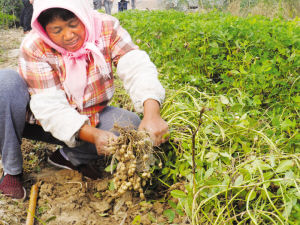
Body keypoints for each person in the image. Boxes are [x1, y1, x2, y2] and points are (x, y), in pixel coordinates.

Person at [0, 0, 169, 200]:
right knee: (5, 83)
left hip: (88, 115)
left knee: (130, 126)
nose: (68, 35)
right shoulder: (35, 45)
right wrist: (94, 135)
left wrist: (151, 112)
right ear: (45, 30)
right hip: (35, 120)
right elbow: (50, 108)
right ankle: (12, 170)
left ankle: (68, 157)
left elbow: (135, 65)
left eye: (73, 25)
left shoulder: (105, 27)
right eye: (57, 30)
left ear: (83, 16)